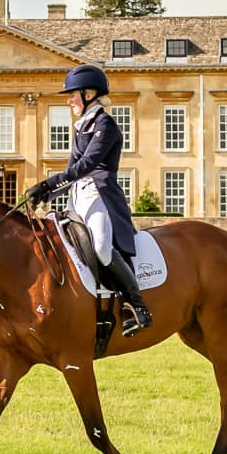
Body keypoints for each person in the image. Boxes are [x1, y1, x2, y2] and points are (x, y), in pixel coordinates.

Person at [27, 64, 152, 336]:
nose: (69, 100)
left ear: (89, 94)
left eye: (73, 95)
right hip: (78, 197)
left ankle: (138, 306)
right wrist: (46, 195)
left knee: (102, 248)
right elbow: (72, 170)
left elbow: (86, 165)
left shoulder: (104, 124)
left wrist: (48, 182)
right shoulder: (81, 126)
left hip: (100, 197)